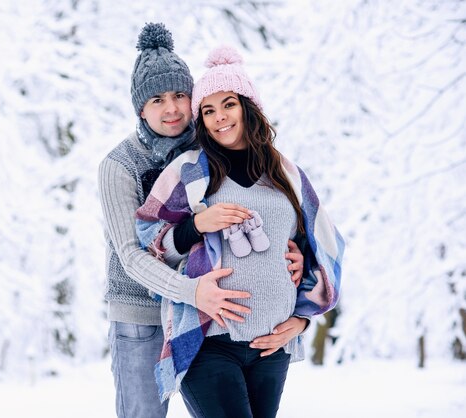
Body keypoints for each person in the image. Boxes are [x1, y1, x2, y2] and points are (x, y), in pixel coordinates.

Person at [98, 24, 305, 418]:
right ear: (140, 108)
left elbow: (268, 201)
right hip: (142, 314)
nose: (172, 108)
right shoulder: (118, 166)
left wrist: (289, 254)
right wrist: (192, 291)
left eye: (180, 95)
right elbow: (131, 253)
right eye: (157, 99)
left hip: (212, 318)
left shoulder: (212, 144)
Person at [135, 46, 345, 418]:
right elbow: (150, 239)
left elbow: (324, 246)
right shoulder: (188, 171)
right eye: (208, 110)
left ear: (248, 106)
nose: (220, 118)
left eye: (228, 104)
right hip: (208, 340)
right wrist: (196, 226)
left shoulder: (286, 174)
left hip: (272, 343)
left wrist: (300, 320)